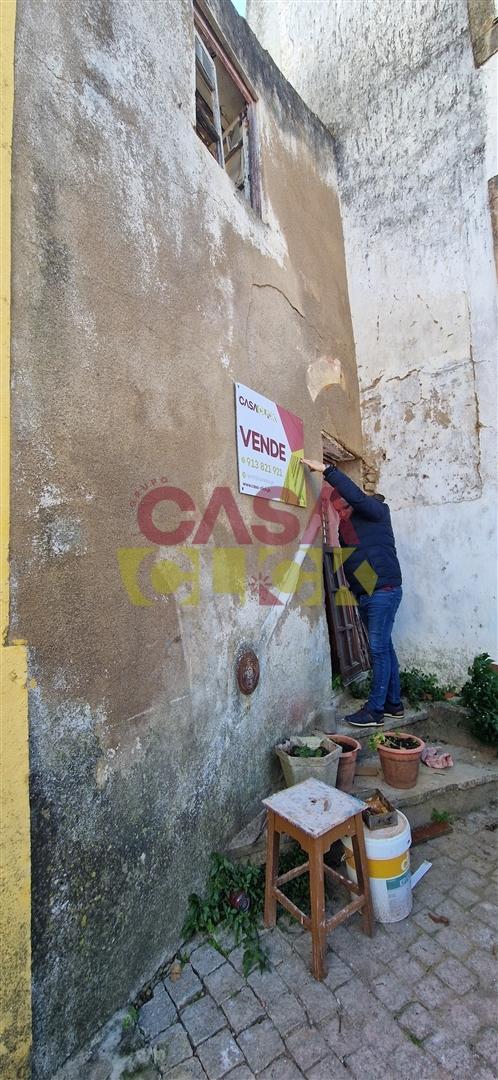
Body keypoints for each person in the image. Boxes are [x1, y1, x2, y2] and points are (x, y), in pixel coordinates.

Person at [302, 458, 404, 728]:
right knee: (386, 648)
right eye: (338, 509)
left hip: (384, 591)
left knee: (378, 651)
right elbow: (357, 560)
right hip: (372, 593)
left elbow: (357, 498)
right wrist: (357, 591)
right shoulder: (350, 528)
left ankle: (375, 710)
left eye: (343, 507)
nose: (341, 512)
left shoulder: (377, 511)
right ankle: (394, 704)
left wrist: (328, 471)